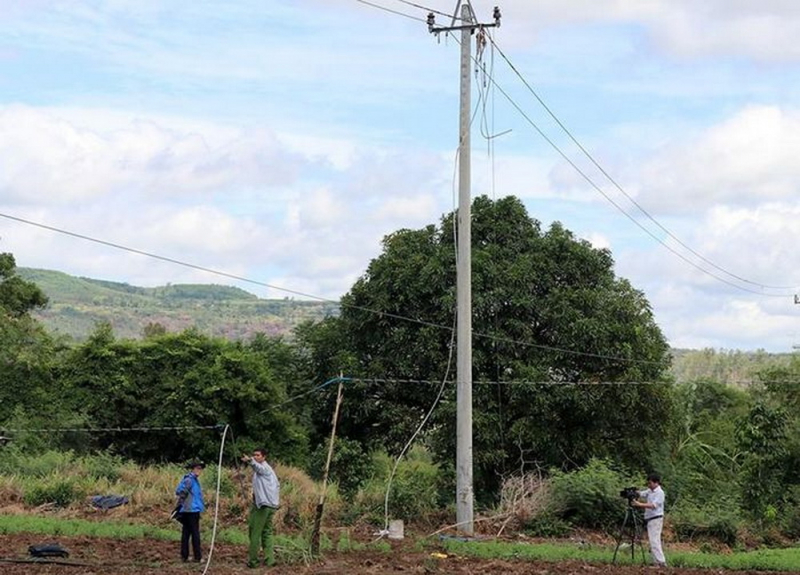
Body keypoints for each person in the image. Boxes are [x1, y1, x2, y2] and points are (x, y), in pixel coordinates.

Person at [241, 448, 280, 568]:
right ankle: (270, 560)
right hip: (271, 505)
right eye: (254, 455)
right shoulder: (269, 471)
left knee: (254, 532)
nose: (256, 457)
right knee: (267, 532)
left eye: (258, 455)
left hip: (263, 506)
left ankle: (253, 561)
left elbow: (258, 468)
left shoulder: (264, 468)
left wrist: (250, 461)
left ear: (264, 457)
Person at [632, 472, 666, 567]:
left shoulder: (660, 493)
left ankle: (661, 562)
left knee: (655, 541)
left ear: (656, 483)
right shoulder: (650, 491)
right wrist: (634, 492)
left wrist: (639, 505)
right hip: (650, 519)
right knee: (652, 541)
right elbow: (642, 494)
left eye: (650, 483)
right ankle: (655, 561)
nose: (649, 485)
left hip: (656, 519)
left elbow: (653, 505)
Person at [174, 461, 206, 563]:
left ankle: (185, 556)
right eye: (197, 468)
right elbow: (180, 491)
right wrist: (180, 504)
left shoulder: (194, 480)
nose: (199, 470)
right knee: (195, 533)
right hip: (191, 510)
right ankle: (198, 557)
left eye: (200, 469)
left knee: (186, 533)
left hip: (191, 509)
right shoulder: (190, 480)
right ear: (192, 469)